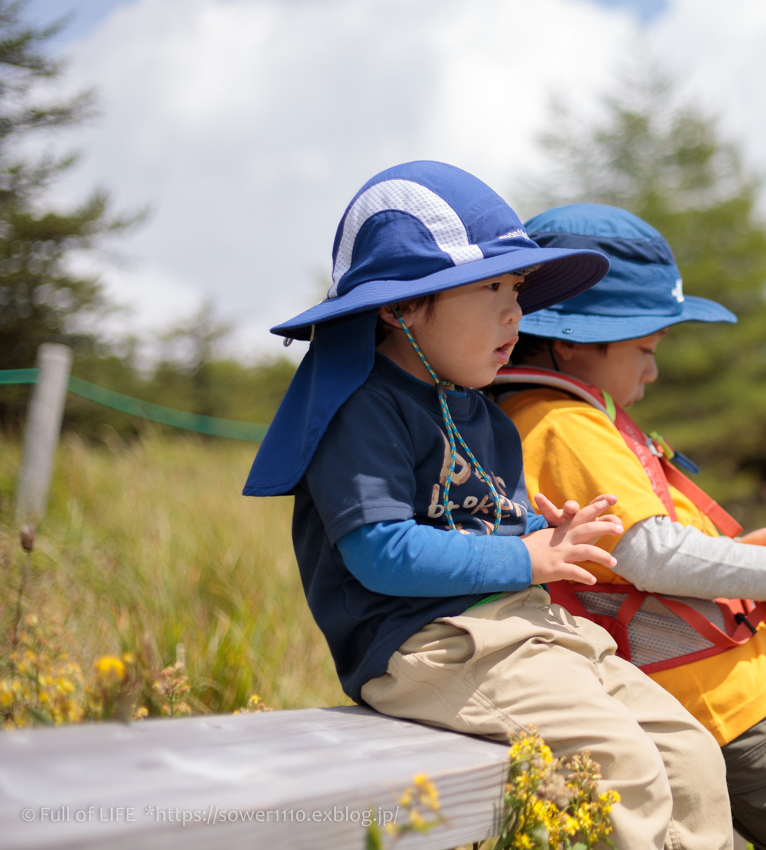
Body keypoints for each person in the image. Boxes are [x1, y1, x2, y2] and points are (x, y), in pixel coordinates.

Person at [243, 163, 733, 850]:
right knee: (622, 766)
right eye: (490, 289)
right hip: (430, 646)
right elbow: (382, 553)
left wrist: (545, 530)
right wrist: (526, 555)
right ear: (402, 306)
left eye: (517, 289)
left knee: (688, 752)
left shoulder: (477, 409)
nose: (516, 313)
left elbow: (491, 519)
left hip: (529, 632)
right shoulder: (363, 407)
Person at [495, 203, 766, 850]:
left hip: (740, 679)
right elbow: (649, 553)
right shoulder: (561, 424)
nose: (653, 370)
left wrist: (743, 549)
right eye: (645, 348)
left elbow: (635, 543)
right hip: (716, 697)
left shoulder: (579, 415)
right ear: (573, 340)